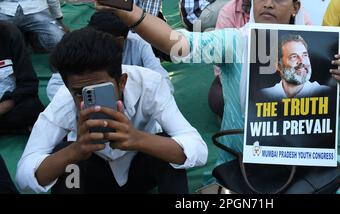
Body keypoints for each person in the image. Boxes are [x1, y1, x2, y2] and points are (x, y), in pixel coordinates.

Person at [92, 0, 340, 193]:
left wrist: (336, 87)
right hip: (246, 163)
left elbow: (327, 121)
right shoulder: (237, 42)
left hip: (304, 161)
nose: (268, 3)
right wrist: (131, 13)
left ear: (296, 7)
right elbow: (177, 43)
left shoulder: (318, 49)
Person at [16, 28, 208, 194]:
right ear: (68, 89)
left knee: (167, 147)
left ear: (122, 81)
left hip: (141, 173)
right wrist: (75, 151)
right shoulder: (64, 102)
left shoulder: (149, 85)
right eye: (80, 93)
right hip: (93, 181)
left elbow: (198, 149)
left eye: (102, 89)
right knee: (65, 158)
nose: (91, 102)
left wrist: (137, 139)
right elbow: (24, 174)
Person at [46, 11, 173, 101]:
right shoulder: (84, 45)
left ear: (120, 41)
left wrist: (147, 101)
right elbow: (54, 86)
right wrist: (80, 98)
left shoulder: (139, 44)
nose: (98, 44)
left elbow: (163, 80)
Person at [0, 20, 45, 134]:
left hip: (8, 104)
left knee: (33, 107)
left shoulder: (9, 33)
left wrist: (4, 106)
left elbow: (29, 84)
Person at [260, 33, 332, 100]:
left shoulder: (325, 93)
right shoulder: (264, 96)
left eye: (305, 55)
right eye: (294, 56)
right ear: (279, 66)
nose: (302, 61)